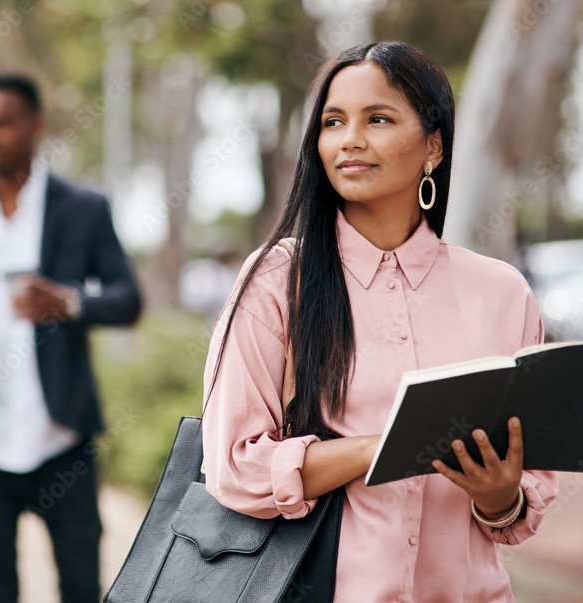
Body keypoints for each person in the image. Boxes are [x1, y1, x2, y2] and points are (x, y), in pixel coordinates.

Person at [202, 42, 559, 601]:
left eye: (378, 119)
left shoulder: (503, 293)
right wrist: (387, 445)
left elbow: (519, 504)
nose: (350, 139)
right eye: (333, 121)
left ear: (433, 146)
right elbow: (233, 467)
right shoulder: (277, 280)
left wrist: (499, 497)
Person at [0, 73, 142, 603]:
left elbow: (129, 299)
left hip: (60, 441)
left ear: (36, 126)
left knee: (82, 587)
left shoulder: (82, 207)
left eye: (2, 123)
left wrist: (69, 303)